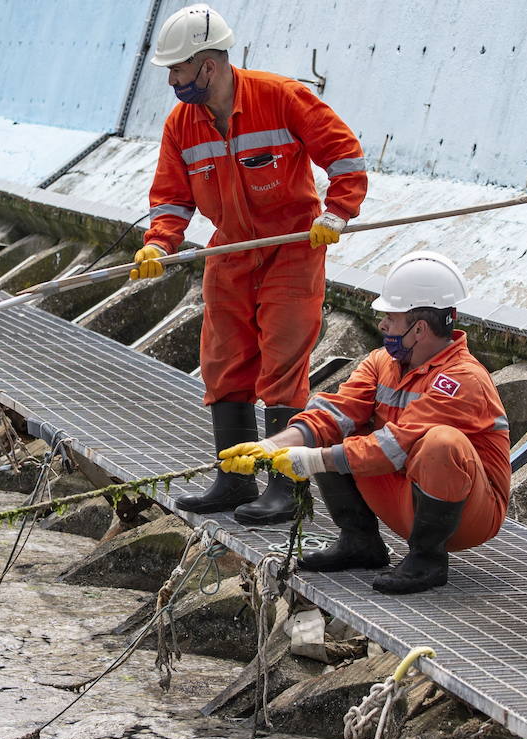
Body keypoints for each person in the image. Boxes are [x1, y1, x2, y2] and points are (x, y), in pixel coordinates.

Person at [133, 4, 368, 526]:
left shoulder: (280, 97)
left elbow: (345, 156)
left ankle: (284, 486)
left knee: (283, 361)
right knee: (224, 362)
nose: (172, 80)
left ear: (208, 66)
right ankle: (234, 477)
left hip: (292, 245)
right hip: (231, 250)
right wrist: (159, 245)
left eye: (178, 70)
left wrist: (338, 213)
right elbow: (171, 198)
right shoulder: (181, 125)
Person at [218, 252, 511, 594]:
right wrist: (273, 446)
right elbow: (336, 413)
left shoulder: (462, 379)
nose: (383, 325)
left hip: (466, 516)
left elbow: (395, 445)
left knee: (441, 443)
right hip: (407, 492)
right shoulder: (380, 362)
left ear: (419, 329)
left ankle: (427, 559)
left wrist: (314, 460)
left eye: (390, 317)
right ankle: (359, 541)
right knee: (328, 420)